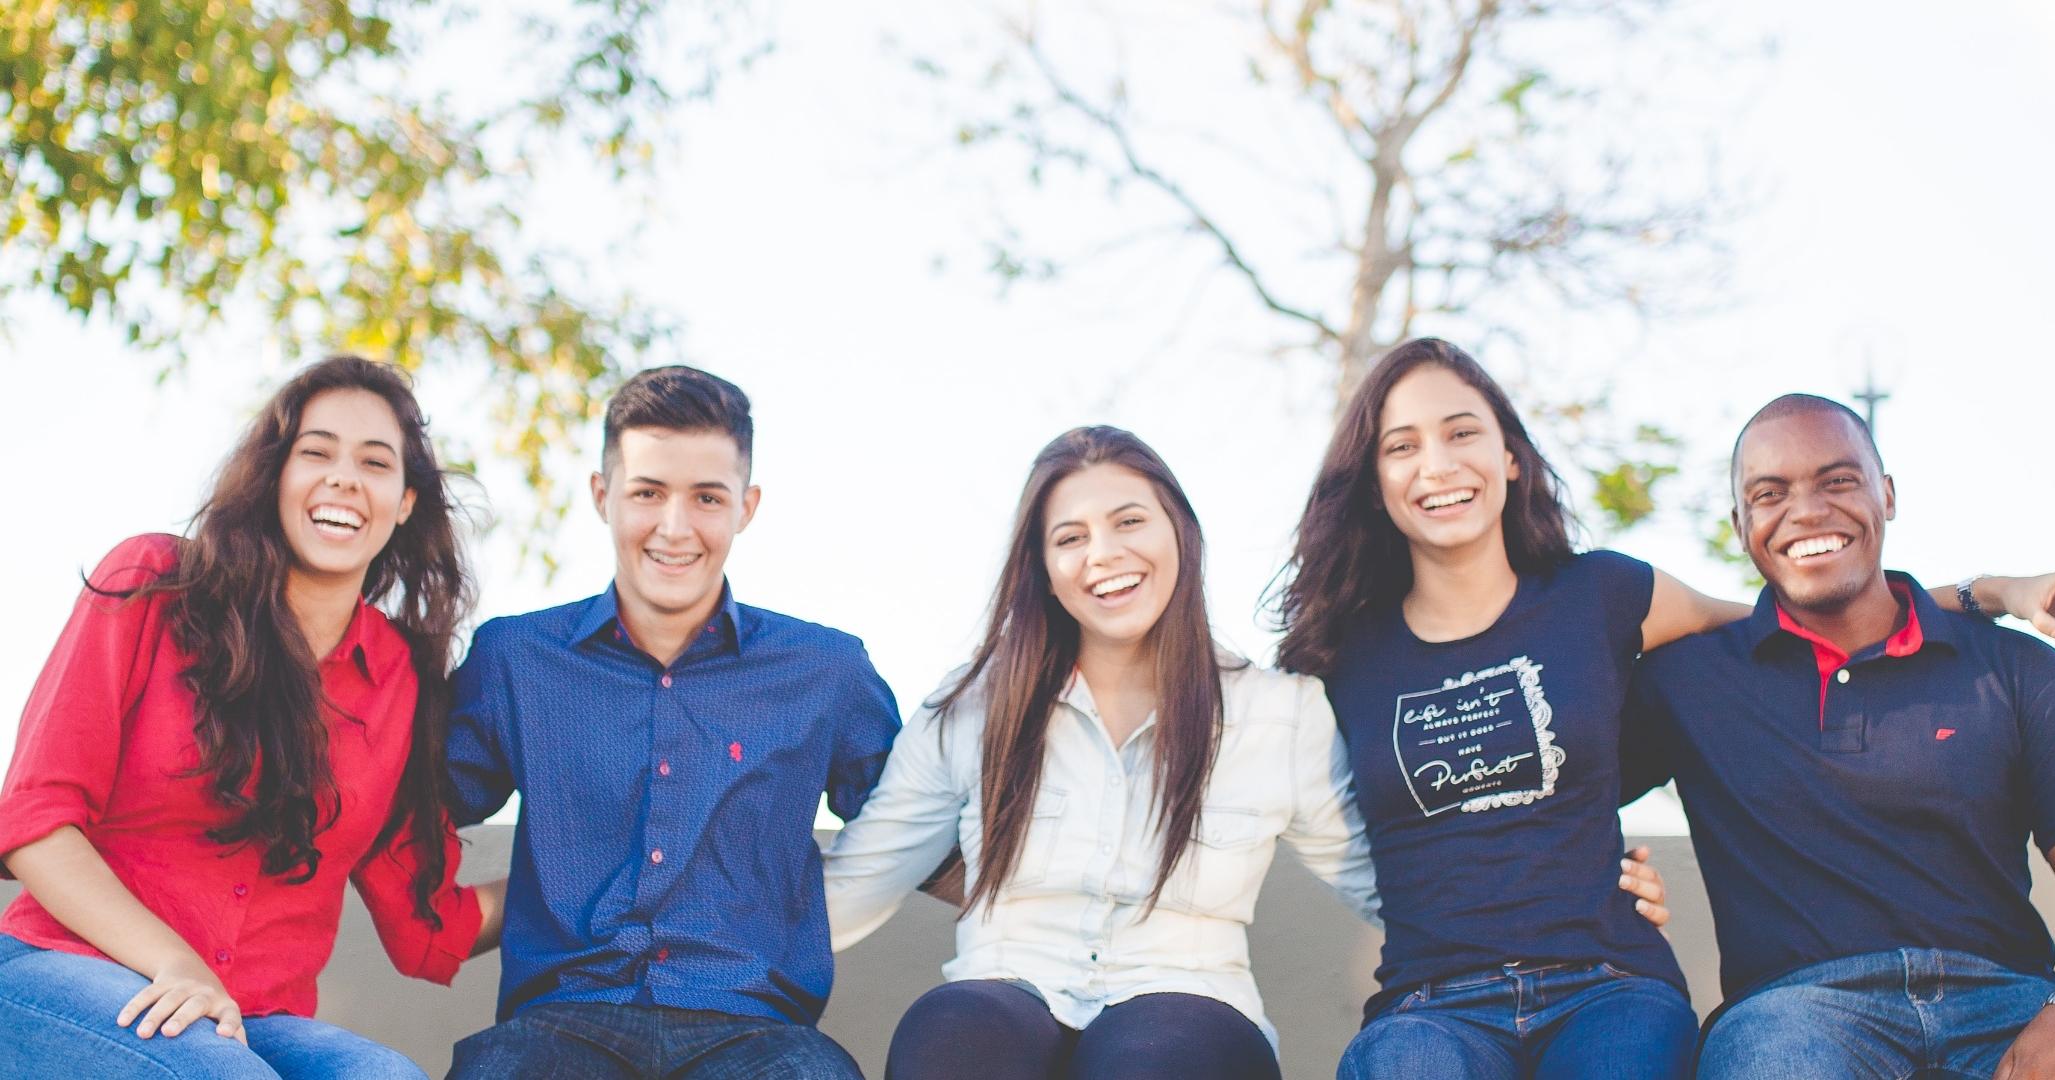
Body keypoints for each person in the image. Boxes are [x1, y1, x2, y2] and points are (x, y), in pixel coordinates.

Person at [1270, 338, 2055, 1080]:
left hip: (1605, 986)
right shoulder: (1342, 654)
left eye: (1462, 432)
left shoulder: (1604, 594)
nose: (1439, 464)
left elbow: (1803, 611)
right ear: (1373, 477)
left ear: (1511, 456)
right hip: (1431, 1000)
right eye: (1402, 445)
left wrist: (1988, 591)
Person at [821, 425, 1677, 1080]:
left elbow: (1400, 881)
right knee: (951, 1032)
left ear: (1180, 535)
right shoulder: (969, 710)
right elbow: (856, 884)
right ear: (1043, 568)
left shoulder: (1278, 713)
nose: (1104, 555)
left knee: (1153, 1056)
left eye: (1128, 521)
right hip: (1007, 980)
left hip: (1189, 1001)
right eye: (1070, 537)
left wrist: (1578, 883)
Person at [1621, 393, 2055, 1080]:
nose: (1808, 510)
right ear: (1740, 523)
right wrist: (1615, 883)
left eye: (1838, 480)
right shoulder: (1685, 680)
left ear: (1888, 494)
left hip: (2010, 1003)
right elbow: (1545, 798)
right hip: (1798, 1015)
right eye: (1770, 492)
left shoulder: (2018, 670)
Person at [0, 356, 500, 1078]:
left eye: (375, 462)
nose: (344, 478)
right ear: (276, 478)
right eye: (316, 452)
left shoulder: (400, 682)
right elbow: (35, 823)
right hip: (60, 974)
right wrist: (175, 962)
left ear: (405, 502)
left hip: (253, 1022)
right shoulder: (152, 585)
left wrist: (583, 885)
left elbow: (427, 927)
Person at [443, 365, 901, 1079]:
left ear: (746, 506)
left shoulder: (828, 671)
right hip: (559, 1024)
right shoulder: (516, 659)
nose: (675, 526)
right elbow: (405, 809)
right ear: (603, 496)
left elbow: (920, 823)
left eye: (707, 497)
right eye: (648, 493)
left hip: (759, 1034)